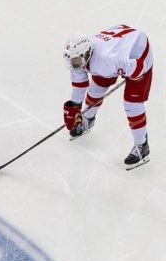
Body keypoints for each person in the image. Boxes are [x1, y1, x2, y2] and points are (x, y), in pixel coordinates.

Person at [62, 25, 154, 169]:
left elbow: (139, 67)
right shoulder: (81, 58)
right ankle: (88, 119)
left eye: (76, 61)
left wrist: (133, 76)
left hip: (138, 54)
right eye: (72, 61)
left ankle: (142, 146)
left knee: (132, 104)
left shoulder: (106, 60)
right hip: (117, 52)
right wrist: (75, 107)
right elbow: (79, 85)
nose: (74, 65)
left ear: (86, 54)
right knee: (95, 89)